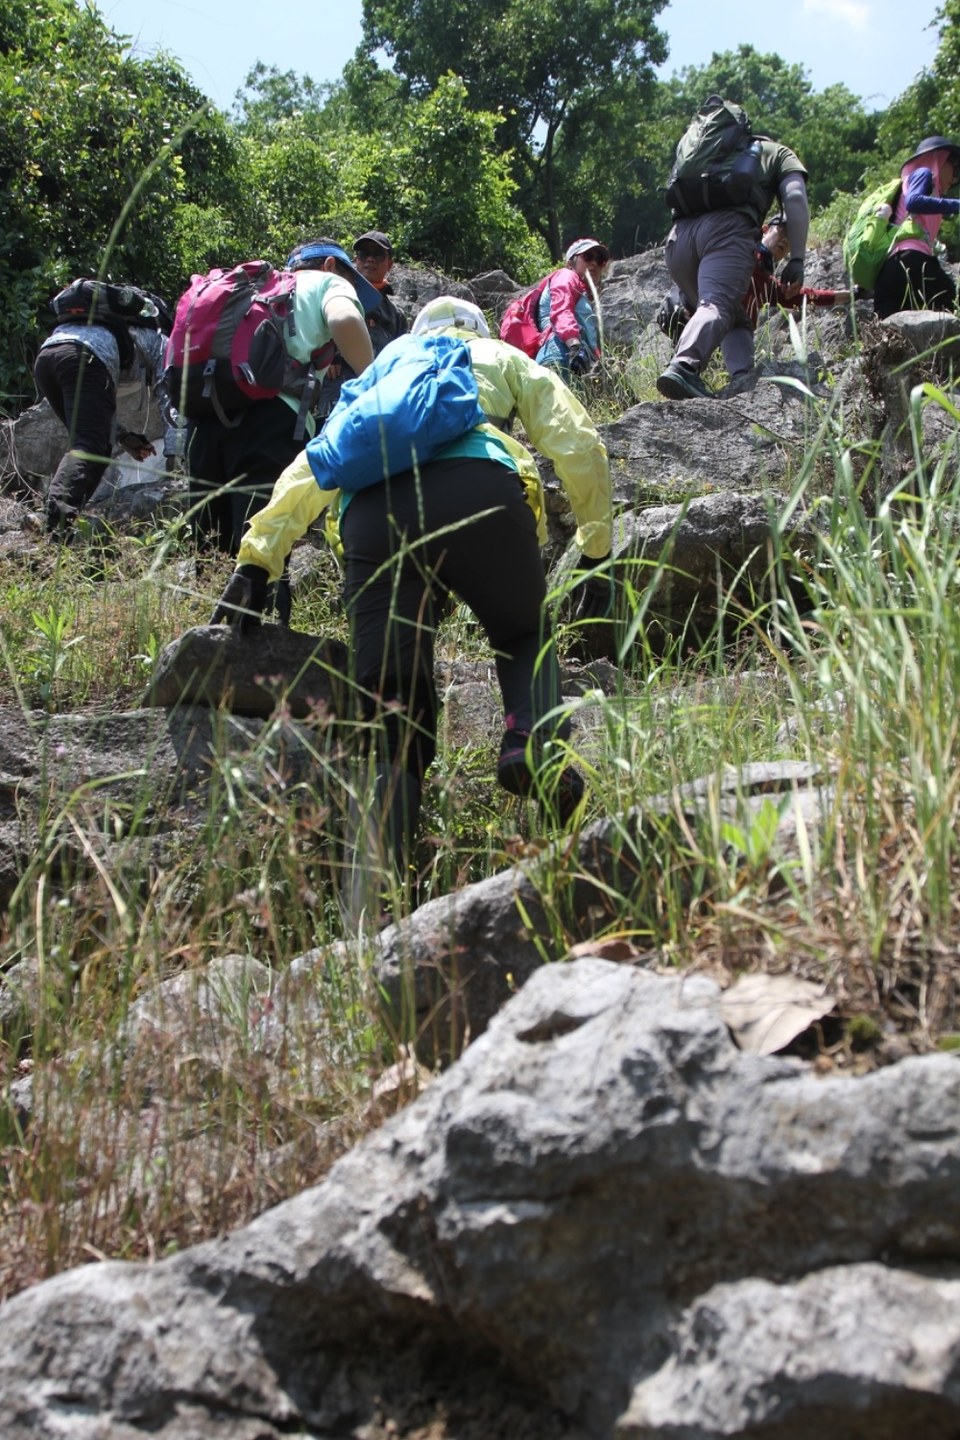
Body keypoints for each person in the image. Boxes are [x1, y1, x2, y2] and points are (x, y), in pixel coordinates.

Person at [211, 296, 613, 915]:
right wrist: (595, 546)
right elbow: (577, 439)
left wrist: (257, 560)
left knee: (391, 708)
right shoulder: (494, 354)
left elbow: (314, 464)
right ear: (475, 328)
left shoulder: (378, 374)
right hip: (480, 491)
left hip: (374, 520)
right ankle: (531, 740)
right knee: (520, 633)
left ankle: (372, 901)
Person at [185, 238, 378, 567]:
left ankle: (207, 601)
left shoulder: (250, 289)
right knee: (261, 549)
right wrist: (375, 381)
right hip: (272, 421)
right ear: (330, 265)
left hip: (206, 416)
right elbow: (345, 318)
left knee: (210, 554)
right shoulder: (325, 281)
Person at [657, 96, 809, 401]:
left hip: (678, 240)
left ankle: (742, 378)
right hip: (726, 233)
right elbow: (795, 197)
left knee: (735, 315)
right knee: (717, 305)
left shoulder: (702, 156)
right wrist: (797, 258)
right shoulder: (775, 151)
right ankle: (684, 366)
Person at [33, 293, 175, 535]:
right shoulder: (161, 341)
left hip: (47, 357)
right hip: (85, 359)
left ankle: (53, 520)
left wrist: (122, 436)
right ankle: (54, 523)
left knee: (90, 443)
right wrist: (175, 454)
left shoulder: (110, 325)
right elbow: (170, 397)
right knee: (90, 446)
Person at [660, 215, 853, 381]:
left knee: (737, 373)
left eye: (791, 241)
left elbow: (805, 297)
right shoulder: (738, 252)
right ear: (765, 230)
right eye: (783, 231)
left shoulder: (768, 285)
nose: (785, 241)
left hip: (724, 341)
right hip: (693, 317)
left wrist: (850, 295)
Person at [316, 230, 408, 418]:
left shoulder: (396, 315)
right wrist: (329, 355)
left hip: (377, 398)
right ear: (355, 260)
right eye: (364, 253)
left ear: (390, 264)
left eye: (378, 254)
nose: (370, 259)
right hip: (334, 393)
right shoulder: (336, 295)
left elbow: (401, 361)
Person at [873, 136, 960, 320]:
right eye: (955, 167)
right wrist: (956, 204)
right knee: (953, 300)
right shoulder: (923, 173)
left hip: (889, 271)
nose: (955, 178)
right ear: (939, 159)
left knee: (889, 328)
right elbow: (913, 202)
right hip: (912, 261)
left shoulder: (914, 184)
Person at [533, 238, 610, 378]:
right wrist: (574, 345)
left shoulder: (582, 294)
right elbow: (562, 310)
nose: (594, 262)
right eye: (587, 256)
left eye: (600, 260)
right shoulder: (566, 275)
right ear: (570, 264)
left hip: (573, 357)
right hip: (561, 352)